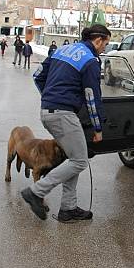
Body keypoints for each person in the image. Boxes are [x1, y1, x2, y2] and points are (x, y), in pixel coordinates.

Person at [21, 24, 111, 222]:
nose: (105, 48)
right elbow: (91, 97)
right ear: (98, 40)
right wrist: (98, 128)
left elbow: (38, 76)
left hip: (48, 111)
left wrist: (50, 97)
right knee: (79, 161)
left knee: (74, 158)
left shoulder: (62, 50)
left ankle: (68, 208)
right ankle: (36, 192)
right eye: (106, 44)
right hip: (63, 114)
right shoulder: (90, 61)